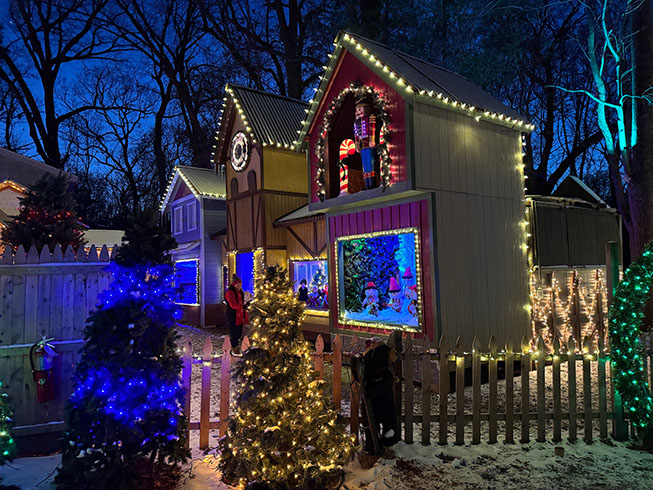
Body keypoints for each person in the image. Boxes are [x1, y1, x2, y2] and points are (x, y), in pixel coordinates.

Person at [362, 337, 398, 454]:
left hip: (371, 390)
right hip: (384, 392)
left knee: (370, 419)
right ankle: (388, 442)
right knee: (388, 418)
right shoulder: (387, 372)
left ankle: (372, 444)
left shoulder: (367, 360)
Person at [225, 274, 248, 356]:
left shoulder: (240, 292)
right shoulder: (230, 292)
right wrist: (242, 306)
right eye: (238, 285)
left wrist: (246, 302)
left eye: (240, 285)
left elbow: (243, 301)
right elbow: (233, 304)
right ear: (234, 285)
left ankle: (236, 347)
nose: (239, 286)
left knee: (239, 332)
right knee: (233, 332)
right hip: (232, 315)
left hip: (240, 315)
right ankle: (234, 347)